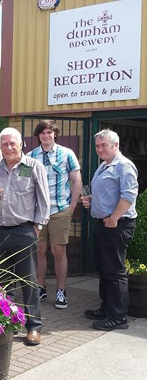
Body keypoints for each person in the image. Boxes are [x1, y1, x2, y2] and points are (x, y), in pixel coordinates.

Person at [0, 127, 49, 346]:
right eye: (5, 144)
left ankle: (34, 327)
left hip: (24, 230)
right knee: (1, 281)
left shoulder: (34, 167)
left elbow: (44, 202)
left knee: (28, 281)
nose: (8, 147)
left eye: (12, 143)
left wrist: (36, 227)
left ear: (21, 145)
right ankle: (6, 322)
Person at [81, 129, 138, 331]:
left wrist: (114, 218)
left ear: (116, 145)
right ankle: (107, 308)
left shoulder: (124, 166)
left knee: (115, 272)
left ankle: (118, 317)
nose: (100, 149)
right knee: (104, 269)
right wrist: (92, 201)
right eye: (97, 146)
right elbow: (109, 194)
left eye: (104, 145)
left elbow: (129, 195)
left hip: (117, 224)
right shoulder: (104, 166)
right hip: (104, 223)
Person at [27, 120, 81, 309]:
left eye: (49, 132)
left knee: (59, 251)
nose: (46, 136)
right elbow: (22, 183)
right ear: (38, 136)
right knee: (39, 250)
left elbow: (76, 181)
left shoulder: (67, 154)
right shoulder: (30, 156)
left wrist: (72, 207)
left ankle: (61, 291)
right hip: (37, 213)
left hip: (60, 210)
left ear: (55, 134)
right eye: (42, 133)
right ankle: (40, 288)